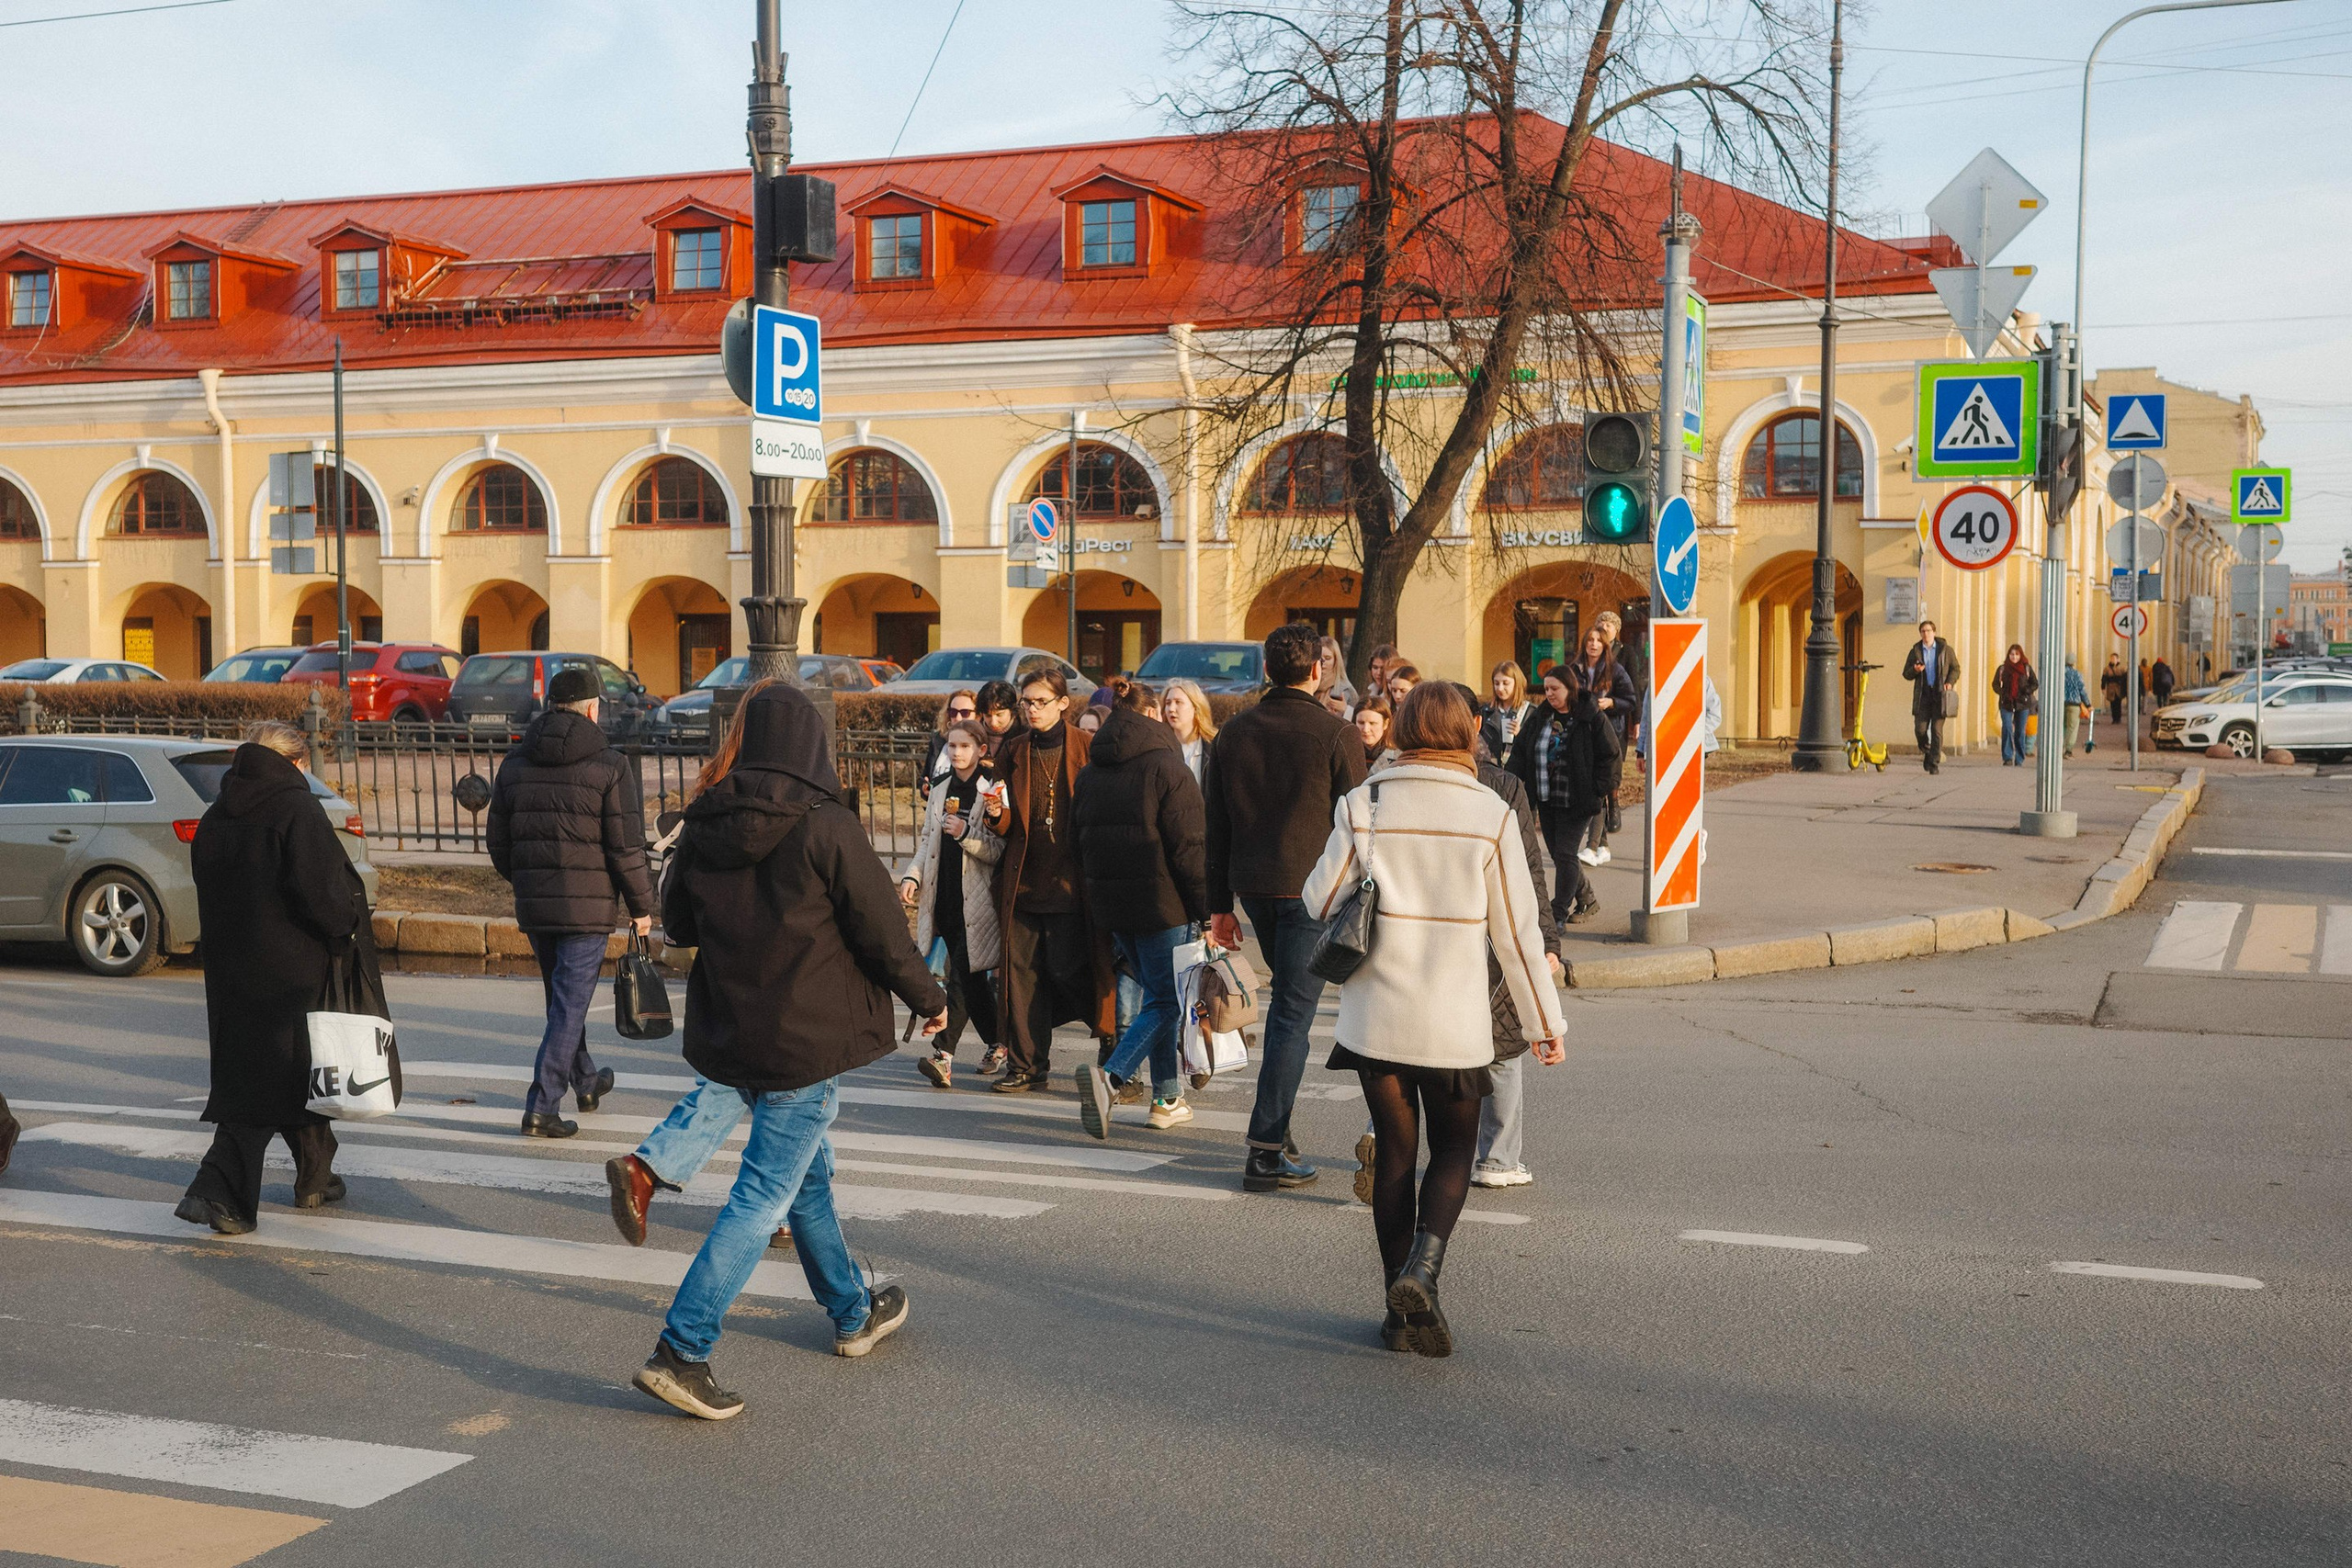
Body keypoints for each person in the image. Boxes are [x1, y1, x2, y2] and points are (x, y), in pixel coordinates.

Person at [628, 682, 949, 1419]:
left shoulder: (707, 818)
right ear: (810, 743)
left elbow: (679, 923)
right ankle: (682, 1348)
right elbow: (882, 933)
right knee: (762, 1195)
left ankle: (852, 1311)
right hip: (806, 1038)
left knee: (806, 1179)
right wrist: (931, 1000)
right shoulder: (826, 822)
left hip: (736, 1030)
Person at [1303, 682, 1565, 1358]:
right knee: (1453, 1150)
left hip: (1376, 1017)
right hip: (1454, 1021)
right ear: (1468, 733)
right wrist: (1543, 1022)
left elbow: (1319, 900)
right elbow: (1518, 935)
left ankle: (1397, 1314)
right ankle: (1424, 1269)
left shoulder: (1365, 802)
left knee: (1395, 1154)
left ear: (1400, 730)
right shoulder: (1489, 812)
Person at [173, 722, 368, 1235]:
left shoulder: (217, 813)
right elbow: (325, 894)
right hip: (292, 969)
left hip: (230, 970)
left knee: (281, 1071)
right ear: (295, 762)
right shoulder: (296, 809)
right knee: (267, 1080)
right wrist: (348, 926)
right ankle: (219, 1192)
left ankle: (316, 1174)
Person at [1205, 622, 1368, 1191]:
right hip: (1312, 891)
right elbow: (1360, 824)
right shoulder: (1336, 733)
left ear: (1266, 670)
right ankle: (1266, 1148)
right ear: (1319, 670)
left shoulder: (1233, 733)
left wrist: (1219, 906)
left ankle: (1279, 1135)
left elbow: (1216, 826)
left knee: (1287, 1013)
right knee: (1292, 1018)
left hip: (1254, 889)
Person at [487, 665, 654, 1138]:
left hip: (537, 906)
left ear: (551, 706)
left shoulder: (515, 763)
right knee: (568, 1005)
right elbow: (625, 846)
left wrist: (528, 880)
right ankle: (542, 1106)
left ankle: (586, 1081)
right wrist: (642, 907)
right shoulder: (610, 765)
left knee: (563, 1002)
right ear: (593, 709)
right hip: (588, 910)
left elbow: (498, 843)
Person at [1073, 682, 1209, 1138]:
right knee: (1167, 1001)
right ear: (1150, 713)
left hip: (1113, 906)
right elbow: (1190, 849)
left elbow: (1077, 844)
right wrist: (1205, 910)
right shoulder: (1168, 767)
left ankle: (1167, 1098)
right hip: (1163, 905)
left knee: (1156, 998)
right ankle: (1111, 1078)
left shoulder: (1091, 771)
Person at [982, 667, 1111, 1093]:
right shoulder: (1015, 749)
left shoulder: (1086, 746)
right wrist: (996, 814)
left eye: (1041, 701)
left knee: (1073, 972)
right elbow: (1003, 822)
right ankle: (1027, 1066)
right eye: (1027, 702)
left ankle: (1113, 1042)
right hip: (1023, 883)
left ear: (1063, 703)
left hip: (1072, 886)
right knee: (1021, 980)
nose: (1032, 709)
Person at [899, 719, 1004, 1089]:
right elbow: (927, 840)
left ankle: (943, 1055)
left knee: (960, 975)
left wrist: (965, 834)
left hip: (977, 902)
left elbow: (998, 849)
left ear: (981, 750)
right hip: (943, 896)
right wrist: (912, 876)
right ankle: (1000, 1041)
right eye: (952, 746)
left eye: (965, 746)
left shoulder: (990, 789)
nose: (957, 752)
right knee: (972, 982)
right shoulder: (941, 787)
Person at [1506, 665, 1619, 926]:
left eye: (1555, 688)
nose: (1549, 694)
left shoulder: (1590, 716)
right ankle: (1587, 898)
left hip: (1578, 801)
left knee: (1566, 854)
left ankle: (1557, 913)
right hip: (1547, 798)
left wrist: (1597, 789)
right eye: (1546, 689)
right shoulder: (1541, 716)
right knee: (1559, 855)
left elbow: (1611, 754)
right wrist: (1509, 780)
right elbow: (1521, 751)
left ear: (1570, 688)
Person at [1569, 626, 1636, 866]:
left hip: (1608, 735)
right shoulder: (1575, 669)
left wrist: (1611, 702)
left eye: (1598, 641)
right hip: (1581, 734)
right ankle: (1602, 846)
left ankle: (1592, 846)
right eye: (1590, 640)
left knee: (1598, 787)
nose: (1594, 644)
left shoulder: (1615, 669)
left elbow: (1630, 700)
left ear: (1605, 645)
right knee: (1591, 787)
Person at [1902, 621, 1962, 775]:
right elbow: (1906, 673)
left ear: (1934, 632)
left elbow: (1955, 668)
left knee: (1936, 730)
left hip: (1939, 695)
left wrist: (1950, 682)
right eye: (1923, 631)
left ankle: (1934, 763)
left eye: (1928, 631)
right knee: (1920, 730)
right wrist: (1915, 670)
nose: (1926, 634)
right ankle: (1928, 751)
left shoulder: (1946, 650)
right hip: (1923, 696)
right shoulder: (1916, 651)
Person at [1161, 677, 1217, 786]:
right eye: (1168, 703)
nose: (1171, 709)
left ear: (1195, 708)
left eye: (1178, 702)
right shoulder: (1160, 746)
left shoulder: (1214, 746)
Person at [1479, 660, 1533, 767]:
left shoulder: (1531, 712)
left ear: (1517, 683)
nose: (1500, 688)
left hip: (1518, 772)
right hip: (1491, 771)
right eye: (1496, 683)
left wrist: (1520, 734)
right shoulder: (1485, 711)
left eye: (1505, 683)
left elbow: (1535, 750)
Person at [1993, 645, 2039, 766]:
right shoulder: (2003, 668)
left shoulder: (2026, 668)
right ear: (2008, 655)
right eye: (2012, 654)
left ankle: (2019, 758)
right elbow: (1995, 684)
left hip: (2022, 703)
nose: (2014, 657)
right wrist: (2002, 692)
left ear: (2020, 655)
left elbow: (2034, 683)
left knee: (2020, 731)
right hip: (2006, 702)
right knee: (2007, 727)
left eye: (2017, 654)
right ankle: (2007, 757)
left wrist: (2027, 691)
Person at [920, 691, 978, 783]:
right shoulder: (938, 740)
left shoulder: (981, 746)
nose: (958, 718)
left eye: (965, 713)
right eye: (953, 712)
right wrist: (925, 786)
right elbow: (926, 775)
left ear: (978, 716)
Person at [974, 679, 1021, 761]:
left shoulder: (1024, 737)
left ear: (1011, 710)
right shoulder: (973, 735)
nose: (993, 723)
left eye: (999, 715)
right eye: (988, 716)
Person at [1353, 693, 1396, 770]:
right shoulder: (1347, 752)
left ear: (1385, 724)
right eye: (1361, 723)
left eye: (1372, 723)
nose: (1366, 729)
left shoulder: (1398, 756)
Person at [1317, 635, 1359, 710]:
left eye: (1327, 658)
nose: (1323, 662)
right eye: (1319, 658)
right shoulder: (1310, 686)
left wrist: (1345, 710)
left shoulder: (1347, 690)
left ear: (1336, 661)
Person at [2064, 654, 2089, 757]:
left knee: (2062, 726)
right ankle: (2068, 751)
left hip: (2061, 703)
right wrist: (2088, 704)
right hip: (2074, 704)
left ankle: (2058, 748)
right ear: (2074, 662)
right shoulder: (2077, 674)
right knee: (2072, 728)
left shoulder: (2060, 672)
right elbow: (2082, 690)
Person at [2100, 654, 2127, 727]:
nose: (2112, 660)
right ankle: (2114, 718)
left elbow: (2125, 679)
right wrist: (2103, 688)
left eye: (2114, 658)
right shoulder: (2107, 669)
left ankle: (2118, 718)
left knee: (2118, 703)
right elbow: (2104, 679)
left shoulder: (2122, 668)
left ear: (2118, 660)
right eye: (2111, 658)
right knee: (2112, 704)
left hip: (2119, 689)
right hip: (2111, 688)